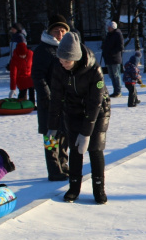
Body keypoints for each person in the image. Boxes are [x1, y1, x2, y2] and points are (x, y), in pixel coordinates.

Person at [47, 32, 111, 204]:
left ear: (75, 58)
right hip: (73, 110)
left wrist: (87, 133)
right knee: (75, 148)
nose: (63, 63)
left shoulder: (94, 70)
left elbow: (94, 103)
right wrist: (52, 127)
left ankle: (99, 189)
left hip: (97, 111)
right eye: (61, 60)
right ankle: (74, 187)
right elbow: (55, 99)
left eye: (67, 61)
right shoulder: (59, 68)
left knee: (94, 148)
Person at [32, 14, 71, 181]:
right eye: (56, 31)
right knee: (51, 136)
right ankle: (54, 169)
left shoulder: (66, 48)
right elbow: (38, 76)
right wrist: (47, 97)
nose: (60, 34)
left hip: (65, 101)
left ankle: (63, 164)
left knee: (64, 134)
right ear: (50, 32)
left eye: (63, 31)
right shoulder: (43, 50)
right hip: (49, 102)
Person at [101, 20, 124, 97]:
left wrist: (112, 52)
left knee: (116, 75)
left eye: (109, 27)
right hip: (108, 58)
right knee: (111, 75)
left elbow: (120, 47)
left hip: (115, 58)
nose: (108, 28)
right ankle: (115, 90)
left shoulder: (118, 34)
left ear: (113, 27)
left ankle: (118, 91)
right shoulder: (109, 35)